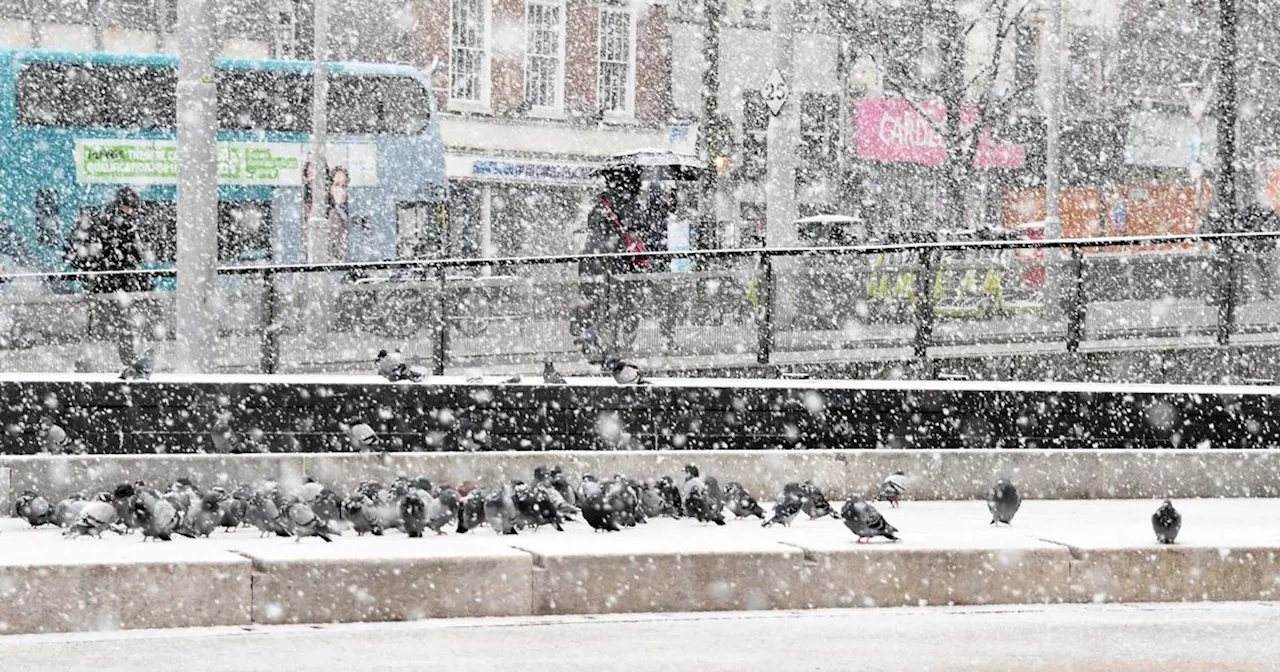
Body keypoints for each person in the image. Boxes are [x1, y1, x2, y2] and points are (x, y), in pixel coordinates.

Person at [66, 186, 147, 367]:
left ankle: (84, 364)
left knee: (97, 328)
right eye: (130, 207)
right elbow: (132, 257)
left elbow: (76, 251)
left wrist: (90, 272)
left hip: (101, 286)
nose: (132, 212)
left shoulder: (102, 222)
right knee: (122, 327)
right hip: (111, 287)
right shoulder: (118, 226)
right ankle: (129, 362)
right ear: (122, 205)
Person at [575, 168, 646, 360]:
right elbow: (638, 226)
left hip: (592, 259)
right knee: (623, 298)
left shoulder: (601, 203)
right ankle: (617, 338)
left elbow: (591, 225)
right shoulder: (630, 204)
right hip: (616, 261)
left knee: (593, 297)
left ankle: (589, 332)